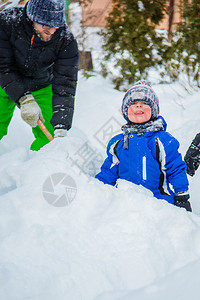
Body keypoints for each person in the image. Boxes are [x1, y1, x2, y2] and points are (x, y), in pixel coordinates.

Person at [96, 80, 192, 211]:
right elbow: (109, 171)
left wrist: (182, 195)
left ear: (153, 110)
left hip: (160, 204)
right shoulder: (118, 143)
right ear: (125, 111)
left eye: (144, 104)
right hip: (126, 204)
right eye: (134, 104)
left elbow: (176, 168)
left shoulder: (162, 140)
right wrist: (97, 190)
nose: (138, 107)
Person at [0, 0, 79, 150]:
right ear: (32, 18)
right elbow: (3, 66)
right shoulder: (7, 22)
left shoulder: (65, 40)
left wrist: (62, 125)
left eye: (56, 25)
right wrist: (24, 98)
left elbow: (65, 83)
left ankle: (37, 169)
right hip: (3, 80)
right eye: (45, 25)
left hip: (41, 85)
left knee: (51, 137)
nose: (51, 31)